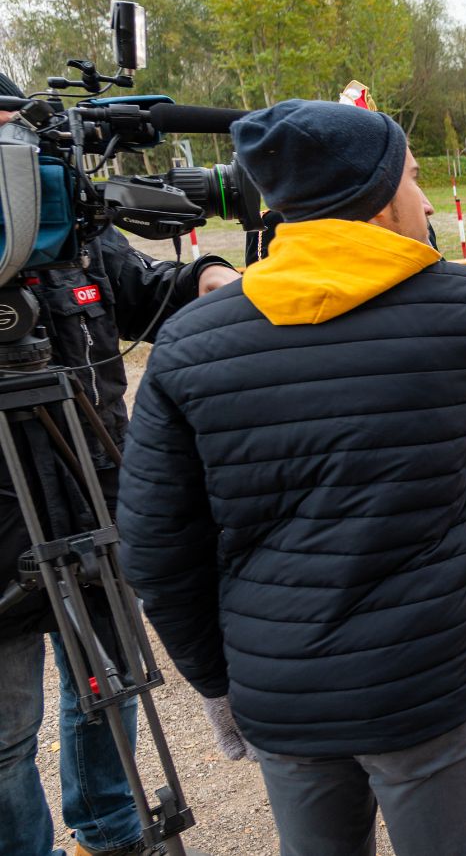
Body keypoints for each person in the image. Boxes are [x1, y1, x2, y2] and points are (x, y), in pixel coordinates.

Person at [115, 99, 466, 856]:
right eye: (413, 178)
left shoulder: (189, 342)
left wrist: (217, 683)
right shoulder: (461, 309)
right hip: (426, 684)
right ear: (380, 198)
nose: (425, 199)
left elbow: (155, 547)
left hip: (283, 692)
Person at [0, 71, 239, 856]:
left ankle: (110, 828)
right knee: (6, 732)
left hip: (96, 496)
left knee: (109, 688)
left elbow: (146, 292)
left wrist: (206, 276)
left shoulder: (74, 230)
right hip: (3, 529)